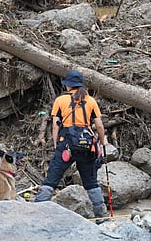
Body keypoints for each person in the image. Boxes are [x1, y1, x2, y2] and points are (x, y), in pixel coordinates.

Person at [35, 70, 109, 224]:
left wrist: (57, 144)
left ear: (68, 85)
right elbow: (99, 126)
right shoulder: (91, 101)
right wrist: (103, 143)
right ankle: (102, 218)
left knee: (51, 180)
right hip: (87, 146)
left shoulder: (60, 100)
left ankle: (36, 212)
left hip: (66, 145)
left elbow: (56, 124)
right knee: (91, 182)